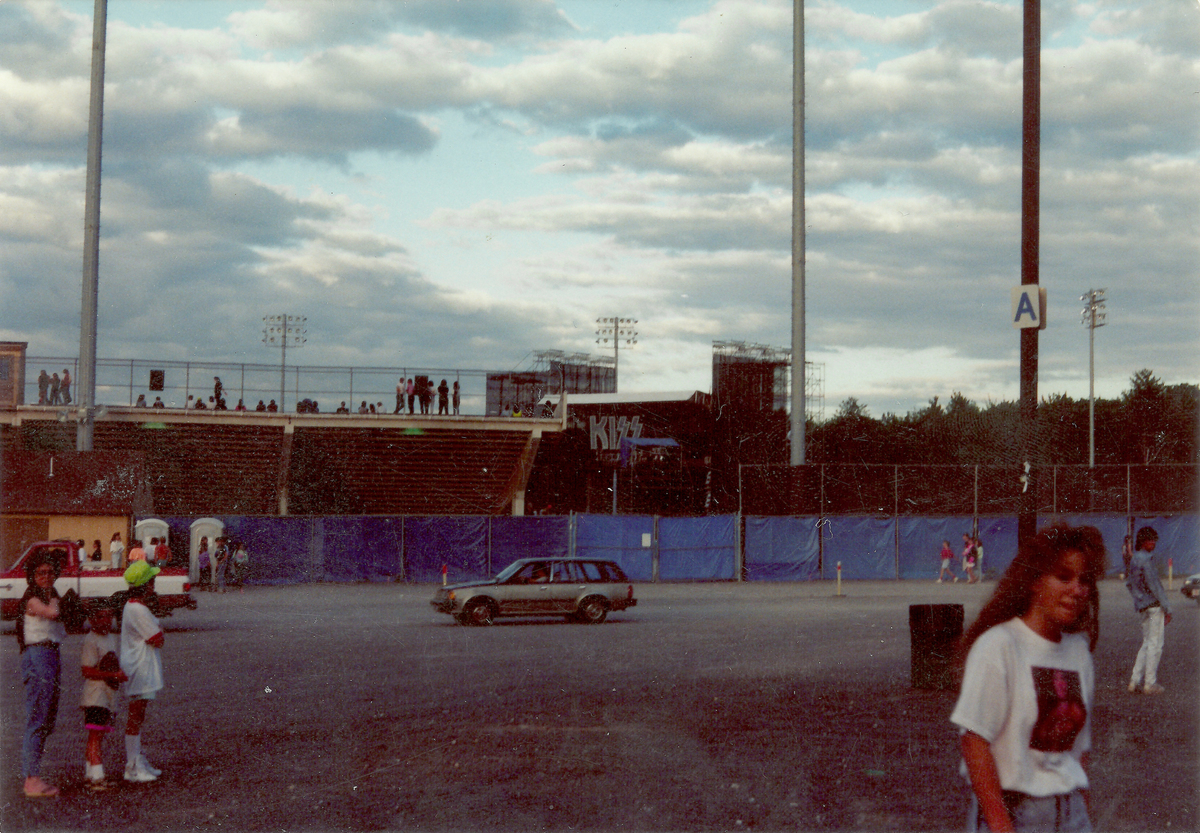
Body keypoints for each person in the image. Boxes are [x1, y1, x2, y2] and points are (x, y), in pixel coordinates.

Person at [951, 523, 1105, 833]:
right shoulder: (999, 645)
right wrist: (1000, 824)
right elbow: (974, 741)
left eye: (1084, 580)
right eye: (1064, 577)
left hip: (1071, 813)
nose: (1077, 589)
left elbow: (1079, 751)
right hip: (1015, 813)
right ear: (1035, 580)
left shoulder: (1078, 653)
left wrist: (1080, 812)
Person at [18, 551, 66, 797]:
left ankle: (34, 776)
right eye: (40, 573)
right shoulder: (33, 598)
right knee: (37, 717)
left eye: (50, 572)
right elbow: (53, 613)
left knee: (46, 717)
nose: (46, 577)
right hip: (38, 656)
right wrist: (58, 600)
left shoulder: (49, 595)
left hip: (51, 654)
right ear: (32, 576)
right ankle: (31, 780)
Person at [120, 561, 165, 782]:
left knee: (139, 715)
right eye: (151, 581)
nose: (154, 584)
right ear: (144, 585)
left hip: (140, 665)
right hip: (139, 667)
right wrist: (158, 632)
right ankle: (132, 765)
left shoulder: (134, 606)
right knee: (136, 715)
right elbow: (158, 639)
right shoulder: (139, 609)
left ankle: (137, 758)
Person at [80, 601, 126, 790]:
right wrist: (113, 675)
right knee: (95, 735)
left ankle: (90, 773)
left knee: (98, 735)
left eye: (109, 616)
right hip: (95, 696)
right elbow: (86, 670)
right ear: (91, 619)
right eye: (100, 616)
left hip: (107, 695)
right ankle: (97, 777)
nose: (106, 620)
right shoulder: (91, 640)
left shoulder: (110, 638)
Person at [1125, 526, 1171, 695]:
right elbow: (1155, 585)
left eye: (1154, 540)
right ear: (1143, 542)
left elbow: (1129, 583)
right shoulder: (1147, 560)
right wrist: (1167, 607)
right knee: (1155, 645)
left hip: (1143, 607)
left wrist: (1138, 599)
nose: (1153, 543)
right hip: (1154, 606)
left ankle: (1134, 680)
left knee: (1146, 643)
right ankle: (1150, 683)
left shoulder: (1134, 560)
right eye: (1151, 540)